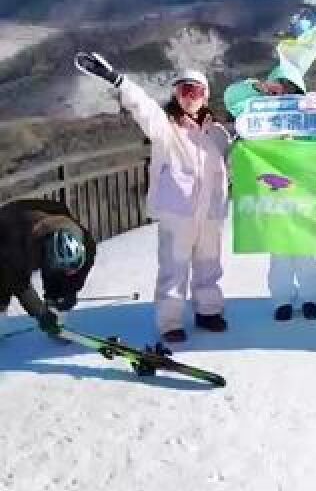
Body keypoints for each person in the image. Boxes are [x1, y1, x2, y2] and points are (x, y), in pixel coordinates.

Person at [75, 52, 231, 343]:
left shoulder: (219, 134)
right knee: (174, 267)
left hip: (209, 210)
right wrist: (117, 80)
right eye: (184, 90)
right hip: (177, 211)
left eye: (195, 91)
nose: (189, 97)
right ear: (176, 94)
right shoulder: (165, 127)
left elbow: (238, 156)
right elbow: (143, 107)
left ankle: (209, 310)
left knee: (209, 263)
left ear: (205, 95)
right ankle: (170, 321)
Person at [223, 63, 316, 324]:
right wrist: (253, 87)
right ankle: (282, 300)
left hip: (302, 191)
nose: (282, 92)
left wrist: (299, 140)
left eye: (288, 87)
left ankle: (311, 297)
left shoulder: (306, 113)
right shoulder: (257, 111)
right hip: (272, 193)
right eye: (278, 87)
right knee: (279, 250)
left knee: (305, 248)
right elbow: (231, 98)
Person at [0, 199, 96, 338]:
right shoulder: (16, 246)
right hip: (8, 233)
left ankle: (57, 319)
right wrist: (41, 313)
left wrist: (68, 293)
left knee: (62, 284)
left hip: (39, 230)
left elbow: (79, 269)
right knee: (4, 279)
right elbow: (20, 284)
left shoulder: (84, 242)